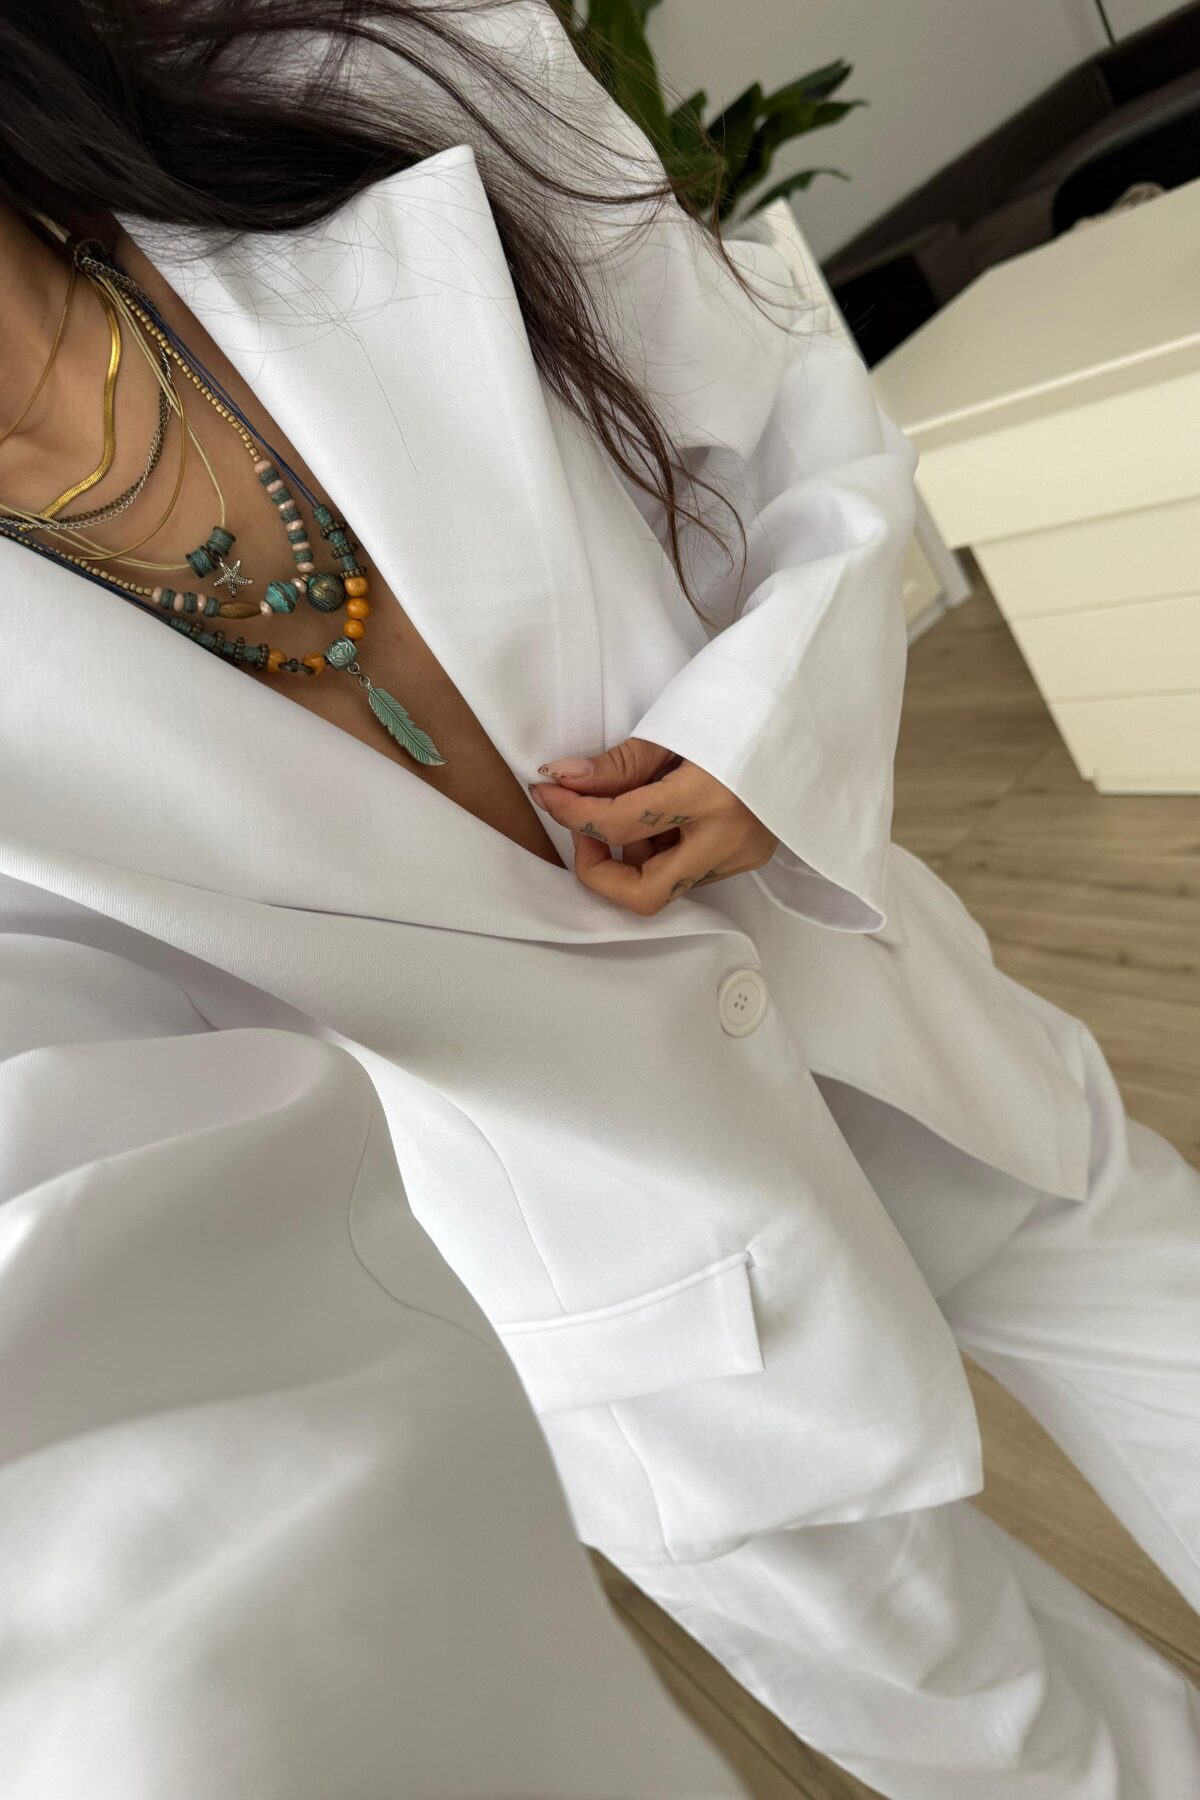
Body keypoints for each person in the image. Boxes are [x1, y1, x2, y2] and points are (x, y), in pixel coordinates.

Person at [0, 1, 1196, 1794]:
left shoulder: (375, 80)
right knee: (1037, 1763)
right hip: (630, 1312)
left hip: (902, 1034)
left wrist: (762, 724)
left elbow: (795, 427)